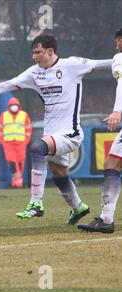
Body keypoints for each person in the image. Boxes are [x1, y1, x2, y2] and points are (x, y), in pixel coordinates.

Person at [0, 33, 112, 222]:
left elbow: (103, 63)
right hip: (51, 134)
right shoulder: (34, 73)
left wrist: (118, 60)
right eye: (33, 52)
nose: (34, 56)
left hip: (71, 133)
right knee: (59, 174)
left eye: (38, 52)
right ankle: (78, 207)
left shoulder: (71, 65)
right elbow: (10, 83)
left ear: (50, 51)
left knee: (37, 148)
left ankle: (36, 202)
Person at [78, 28, 122, 233]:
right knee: (112, 162)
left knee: (112, 162)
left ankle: (106, 220)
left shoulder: (120, 58)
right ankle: (105, 219)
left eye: (118, 41)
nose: (116, 46)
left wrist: (117, 111)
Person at [0, 97, 32, 188]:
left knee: (20, 161)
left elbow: (28, 129)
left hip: (21, 142)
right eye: (12, 105)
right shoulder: (4, 115)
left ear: (18, 106)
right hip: (8, 142)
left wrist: (26, 141)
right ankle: (18, 179)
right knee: (11, 161)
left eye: (15, 105)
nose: (14, 107)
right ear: (9, 106)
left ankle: (16, 181)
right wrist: (2, 141)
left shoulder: (24, 115)